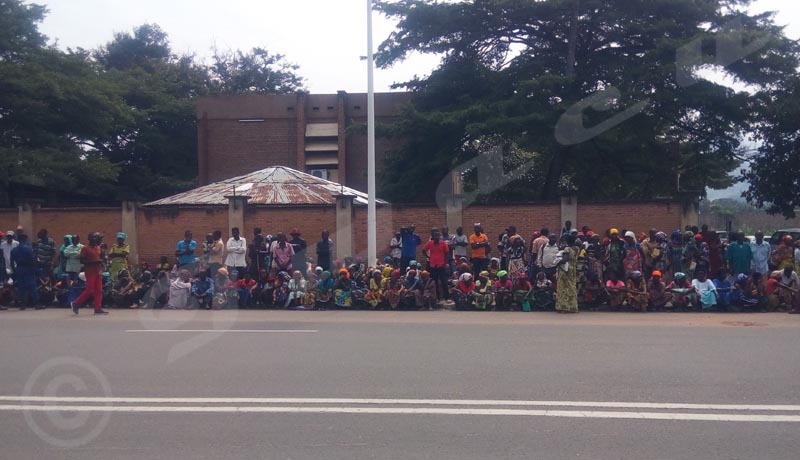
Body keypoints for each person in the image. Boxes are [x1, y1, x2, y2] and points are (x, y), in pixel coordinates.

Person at [70, 232, 108, 315]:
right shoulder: (85, 248)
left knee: (99, 290)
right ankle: (76, 303)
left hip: (98, 271)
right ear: (91, 239)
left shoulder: (98, 247)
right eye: (97, 238)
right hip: (90, 272)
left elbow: (101, 258)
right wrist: (95, 261)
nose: (99, 240)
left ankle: (97, 308)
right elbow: (82, 260)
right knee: (89, 290)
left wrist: (102, 260)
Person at [11, 233, 39, 310]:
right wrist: (34, 269)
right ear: (25, 239)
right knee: (32, 286)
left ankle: (22, 304)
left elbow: (12, 262)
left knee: (21, 287)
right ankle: (36, 304)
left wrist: (14, 271)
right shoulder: (28, 249)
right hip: (28, 268)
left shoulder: (14, 250)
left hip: (19, 269)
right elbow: (33, 259)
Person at [423, 228, 450, 303]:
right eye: (435, 236)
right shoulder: (430, 243)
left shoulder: (443, 243)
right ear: (433, 237)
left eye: (438, 236)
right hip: (432, 266)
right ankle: (437, 298)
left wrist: (445, 263)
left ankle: (447, 297)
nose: (437, 237)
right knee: (434, 282)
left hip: (441, 265)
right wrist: (428, 257)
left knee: (444, 281)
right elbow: (424, 250)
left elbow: (447, 253)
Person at [555, 235, 580, 313]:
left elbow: (565, 260)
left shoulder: (567, 249)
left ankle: (563, 307)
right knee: (572, 287)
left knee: (563, 288)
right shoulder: (577, 248)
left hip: (565, 270)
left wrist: (557, 263)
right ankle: (572, 307)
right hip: (573, 269)